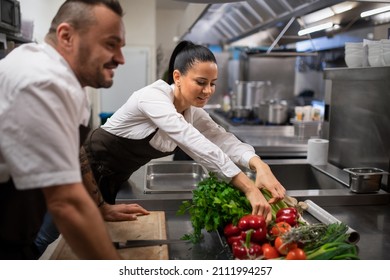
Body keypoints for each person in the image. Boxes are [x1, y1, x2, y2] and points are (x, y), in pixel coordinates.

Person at [83, 40, 286, 221]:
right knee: (53, 232)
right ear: (177, 77)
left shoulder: (191, 111)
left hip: (116, 180)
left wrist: (260, 166)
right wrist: (249, 188)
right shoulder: (152, 97)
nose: (208, 91)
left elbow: (221, 139)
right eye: (201, 82)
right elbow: (192, 141)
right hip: (86, 173)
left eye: (213, 84)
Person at [0, 0, 128, 260]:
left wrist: (100, 206)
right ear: (67, 36)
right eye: (110, 44)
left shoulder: (63, 80)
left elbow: (75, 153)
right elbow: (67, 204)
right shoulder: (41, 81)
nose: (120, 59)